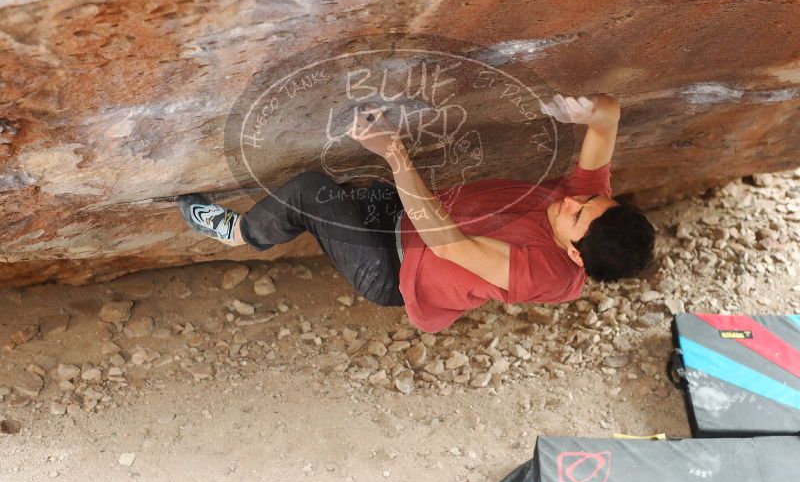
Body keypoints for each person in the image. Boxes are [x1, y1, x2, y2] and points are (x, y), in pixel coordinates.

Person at [179, 94, 655, 333]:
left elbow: (447, 243)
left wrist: (394, 152)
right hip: (407, 219)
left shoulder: (545, 274)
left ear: (575, 256)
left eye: (576, 216)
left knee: (311, 193)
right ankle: (287, 219)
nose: (571, 200)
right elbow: (609, 118)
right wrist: (592, 109)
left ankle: (240, 232)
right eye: (590, 200)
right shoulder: (591, 211)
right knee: (356, 194)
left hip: (396, 269)